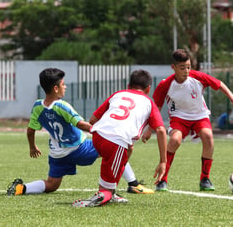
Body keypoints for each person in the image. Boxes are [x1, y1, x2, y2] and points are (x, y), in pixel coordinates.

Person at [6, 68, 153, 202]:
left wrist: (32, 147)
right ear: (56, 88)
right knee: (118, 147)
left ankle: (22, 188)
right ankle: (133, 184)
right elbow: (81, 124)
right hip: (80, 148)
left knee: (52, 185)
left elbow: (31, 130)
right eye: (63, 84)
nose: (65, 87)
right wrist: (104, 131)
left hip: (58, 153)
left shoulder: (37, 106)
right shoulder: (62, 106)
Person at [145, 49, 233, 192]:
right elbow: (157, 108)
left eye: (189, 67)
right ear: (173, 67)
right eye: (182, 68)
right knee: (174, 140)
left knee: (208, 137)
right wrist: (149, 129)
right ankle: (163, 179)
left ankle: (205, 179)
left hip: (200, 116)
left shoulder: (197, 77)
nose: (186, 71)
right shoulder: (165, 85)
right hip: (179, 117)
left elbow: (220, 84)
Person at [72, 69, 167, 207]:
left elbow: (93, 119)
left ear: (129, 85)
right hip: (115, 142)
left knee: (128, 150)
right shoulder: (149, 103)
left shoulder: (118, 94)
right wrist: (163, 161)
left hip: (97, 136)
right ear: (148, 89)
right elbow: (161, 130)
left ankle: (110, 192)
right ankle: (105, 195)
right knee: (107, 189)